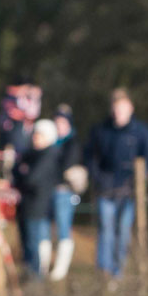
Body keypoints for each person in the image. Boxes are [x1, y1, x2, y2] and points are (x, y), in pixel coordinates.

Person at [84, 88, 148, 281]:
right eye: (116, 108)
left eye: (122, 108)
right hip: (106, 189)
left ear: (130, 108)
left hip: (130, 191)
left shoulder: (142, 132)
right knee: (106, 229)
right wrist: (98, 178)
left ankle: (119, 272)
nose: (119, 113)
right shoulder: (101, 131)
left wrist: (140, 180)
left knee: (123, 230)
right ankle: (104, 272)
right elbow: (91, 157)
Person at [12, 119, 63, 279]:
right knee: (26, 242)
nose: (35, 138)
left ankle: (35, 278)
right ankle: (29, 273)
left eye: (39, 135)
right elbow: (17, 172)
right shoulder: (30, 154)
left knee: (33, 242)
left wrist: (24, 173)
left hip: (36, 205)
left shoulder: (49, 155)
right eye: (34, 134)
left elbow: (31, 178)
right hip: (26, 204)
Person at [48, 104, 85, 281]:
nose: (59, 126)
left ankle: (60, 271)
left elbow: (65, 167)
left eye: (62, 122)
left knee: (63, 228)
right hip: (49, 191)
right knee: (48, 229)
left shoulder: (73, 144)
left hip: (64, 191)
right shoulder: (50, 141)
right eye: (57, 122)